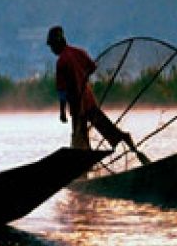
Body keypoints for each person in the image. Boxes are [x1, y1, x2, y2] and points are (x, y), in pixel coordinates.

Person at [46, 26, 149, 164]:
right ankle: (134, 149)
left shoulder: (62, 61)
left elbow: (62, 91)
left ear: (57, 43)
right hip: (89, 102)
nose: (52, 50)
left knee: (80, 143)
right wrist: (81, 77)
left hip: (77, 107)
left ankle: (83, 173)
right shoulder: (79, 52)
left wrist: (62, 113)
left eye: (52, 46)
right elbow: (92, 68)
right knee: (109, 130)